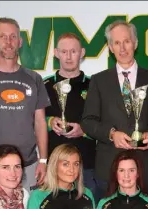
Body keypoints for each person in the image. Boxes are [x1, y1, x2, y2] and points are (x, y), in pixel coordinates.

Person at [81, 20, 148, 198]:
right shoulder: (98, 81)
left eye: (126, 41)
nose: (122, 48)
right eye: (117, 43)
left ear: (135, 43)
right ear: (110, 47)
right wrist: (111, 134)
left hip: (144, 168)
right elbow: (88, 121)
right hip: (108, 169)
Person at [0, 17, 50, 192]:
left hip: (27, 165)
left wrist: (43, 160)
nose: (8, 42)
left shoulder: (34, 79)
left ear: (20, 41)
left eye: (13, 37)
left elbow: (40, 122)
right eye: (2, 37)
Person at [43, 32, 98, 199]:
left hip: (86, 165)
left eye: (73, 51)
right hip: (54, 165)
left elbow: (105, 122)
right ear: (56, 53)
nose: (68, 56)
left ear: (81, 53)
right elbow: (33, 120)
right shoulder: (44, 85)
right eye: (64, 51)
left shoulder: (95, 85)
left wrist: (85, 130)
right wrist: (50, 121)